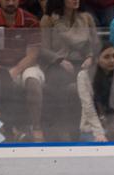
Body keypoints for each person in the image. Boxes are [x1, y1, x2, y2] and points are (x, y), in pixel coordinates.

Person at [0, 0, 45, 141]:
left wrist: (15, 71)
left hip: (26, 65)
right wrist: (3, 72)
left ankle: (36, 127)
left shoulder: (31, 21)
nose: (10, 2)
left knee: (32, 81)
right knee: (0, 82)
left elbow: (33, 54)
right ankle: (9, 128)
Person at [40, 0, 99, 140]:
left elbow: (95, 43)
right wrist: (59, 60)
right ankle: (62, 128)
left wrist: (90, 57)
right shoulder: (49, 19)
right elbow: (43, 49)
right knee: (63, 85)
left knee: (86, 85)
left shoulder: (86, 18)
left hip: (83, 62)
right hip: (57, 63)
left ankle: (84, 129)